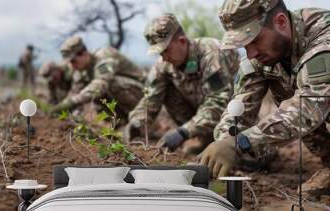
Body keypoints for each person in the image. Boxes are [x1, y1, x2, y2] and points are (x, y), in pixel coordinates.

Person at [199, 0, 330, 191]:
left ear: (281, 22)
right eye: (244, 45)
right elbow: (239, 107)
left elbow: (309, 108)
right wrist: (224, 141)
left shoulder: (324, 40)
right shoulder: (265, 52)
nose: (250, 53)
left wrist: (241, 143)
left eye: (254, 41)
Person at [123, 13, 240, 154]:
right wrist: (136, 122)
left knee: (250, 158)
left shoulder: (211, 54)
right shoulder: (163, 65)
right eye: (160, 53)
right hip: (200, 118)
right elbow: (150, 98)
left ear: (182, 41)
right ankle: (203, 138)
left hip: (234, 117)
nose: (164, 58)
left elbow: (219, 100)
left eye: (166, 50)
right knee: (165, 88)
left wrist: (184, 132)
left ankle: (222, 140)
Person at [50, 36, 146, 125]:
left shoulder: (104, 56)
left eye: (73, 61)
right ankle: (120, 122)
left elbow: (101, 83)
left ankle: (142, 121)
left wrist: (73, 101)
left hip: (143, 94)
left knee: (105, 86)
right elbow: (75, 93)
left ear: (83, 54)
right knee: (90, 92)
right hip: (128, 96)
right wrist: (62, 107)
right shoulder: (81, 71)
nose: (72, 66)